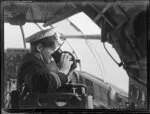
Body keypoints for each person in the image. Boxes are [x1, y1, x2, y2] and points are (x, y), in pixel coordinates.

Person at [17, 28, 73, 95]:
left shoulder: (36, 62)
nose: (53, 56)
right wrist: (63, 71)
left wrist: (66, 73)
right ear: (40, 48)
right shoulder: (30, 64)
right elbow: (42, 84)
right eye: (53, 50)